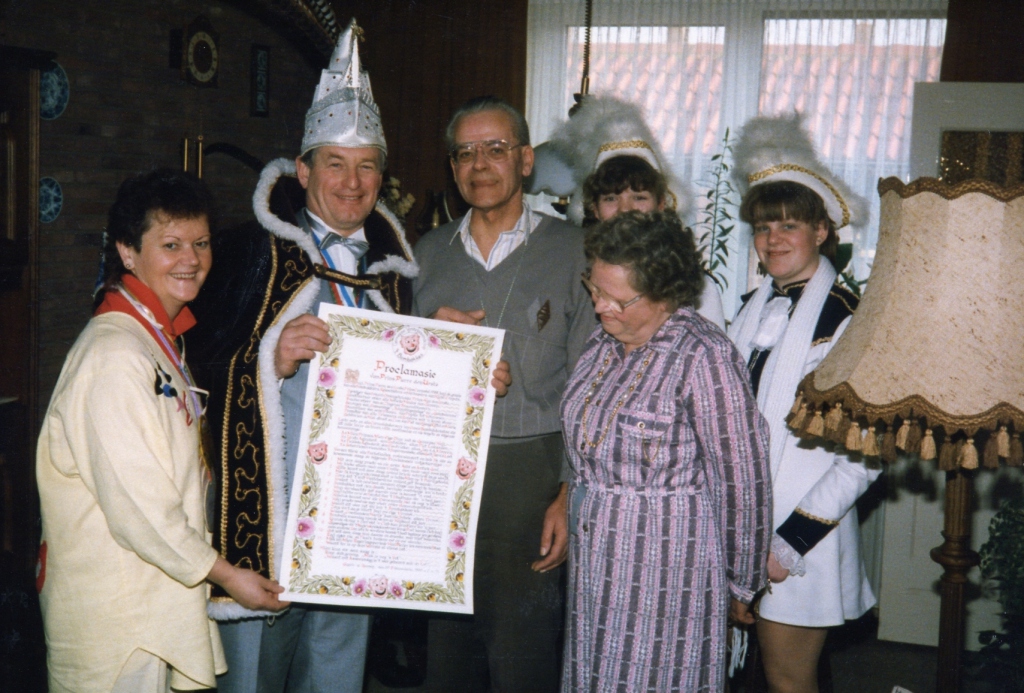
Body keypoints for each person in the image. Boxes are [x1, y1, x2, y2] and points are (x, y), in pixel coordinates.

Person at [188, 19, 421, 693]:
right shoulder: (250, 251)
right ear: (303, 170)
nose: (351, 182)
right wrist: (270, 357)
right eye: (335, 164)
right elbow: (194, 367)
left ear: (382, 176)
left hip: (357, 514)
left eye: (366, 165)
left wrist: (454, 360)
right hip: (271, 512)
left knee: (338, 667)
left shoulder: (392, 273)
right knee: (254, 671)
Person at [36, 169, 287, 693]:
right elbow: (141, 508)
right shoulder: (112, 355)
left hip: (151, 604)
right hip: (116, 620)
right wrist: (228, 576)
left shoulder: (155, 337)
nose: (190, 259)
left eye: (201, 243)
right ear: (127, 252)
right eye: (170, 245)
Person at [412, 95, 596, 692]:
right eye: (465, 152)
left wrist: (569, 495)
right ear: (452, 166)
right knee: (448, 658)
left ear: (525, 160)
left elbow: (590, 387)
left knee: (525, 659)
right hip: (441, 475)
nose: (480, 164)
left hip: (532, 472)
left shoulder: (575, 251)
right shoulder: (425, 255)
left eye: (495, 149)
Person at [560, 210, 772, 692]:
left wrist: (742, 582)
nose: (600, 306)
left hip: (664, 565)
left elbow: (743, 479)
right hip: (594, 560)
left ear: (663, 294)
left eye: (618, 299)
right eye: (595, 289)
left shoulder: (704, 355)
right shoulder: (600, 344)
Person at [728, 114, 882, 693]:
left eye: (789, 225)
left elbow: (865, 458)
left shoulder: (848, 321)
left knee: (789, 680)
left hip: (800, 539)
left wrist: (788, 543)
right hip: (744, 528)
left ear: (821, 231)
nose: (773, 239)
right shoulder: (752, 309)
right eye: (763, 226)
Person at [544, 95, 726, 329]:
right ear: (594, 209)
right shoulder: (570, 276)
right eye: (611, 198)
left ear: (661, 205)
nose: (625, 209)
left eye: (639, 197)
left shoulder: (698, 287)